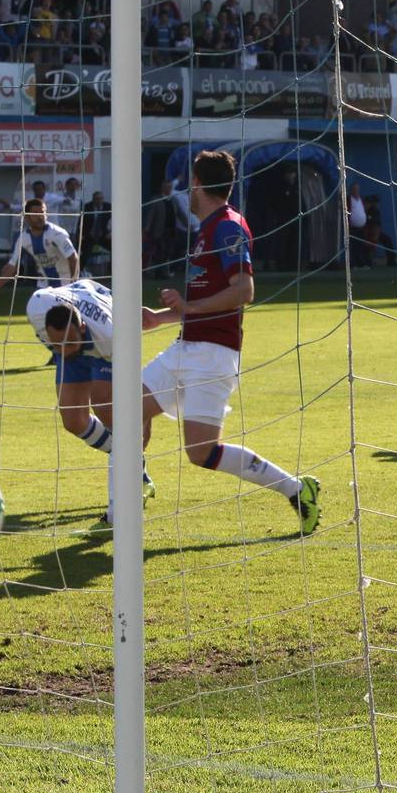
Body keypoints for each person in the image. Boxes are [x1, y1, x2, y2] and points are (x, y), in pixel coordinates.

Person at [121, 150, 320, 537]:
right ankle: (129, 495)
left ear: (197, 184)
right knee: (126, 408)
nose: (185, 192)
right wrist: (160, 318)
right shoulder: (207, 228)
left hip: (212, 357)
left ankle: (297, 489)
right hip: (186, 347)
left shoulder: (227, 227)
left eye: (188, 185)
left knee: (201, 453)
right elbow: (203, 303)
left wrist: (188, 304)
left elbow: (244, 291)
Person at [27, 280, 155, 512]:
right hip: (83, 323)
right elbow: (65, 346)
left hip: (105, 345)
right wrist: (64, 347)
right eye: (57, 344)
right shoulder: (36, 309)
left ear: (82, 327)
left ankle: (129, 480)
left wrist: (142, 424)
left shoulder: (111, 337)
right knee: (73, 420)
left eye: (70, 342)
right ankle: (135, 464)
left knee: (110, 412)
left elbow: (138, 395)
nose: (64, 350)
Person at [0, 199, 80, 299]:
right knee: (38, 312)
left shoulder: (57, 233)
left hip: (65, 283)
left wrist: (73, 283)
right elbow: (11, 266)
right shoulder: (23, 238)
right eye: (35, 213)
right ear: (27, 217)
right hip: (43, 285)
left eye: (42, 212)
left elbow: (73, 258)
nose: (40, 217)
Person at [81, 191, 112, 273]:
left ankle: (112, 271)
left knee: (116, 248)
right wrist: (82, 235)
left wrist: (110, 233)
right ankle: (79, 271)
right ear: (93, 199)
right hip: (89, 236)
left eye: (101, 199)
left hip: (104, 236)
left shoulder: (108, 207)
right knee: (85, 253)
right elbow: (81, 223)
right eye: (97, 199)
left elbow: (114, 222)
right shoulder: (87, 207)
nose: (99, 201)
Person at [345, 182, 371, 268]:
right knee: (354, 246)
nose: (356, 191)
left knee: (361, 246)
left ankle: (362, 263)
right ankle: (353, 264)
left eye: (357, 189)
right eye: (354, 189)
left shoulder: (361, 199)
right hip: (353, 228)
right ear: (352, 190)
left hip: (362, 228)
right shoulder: (349, 199)